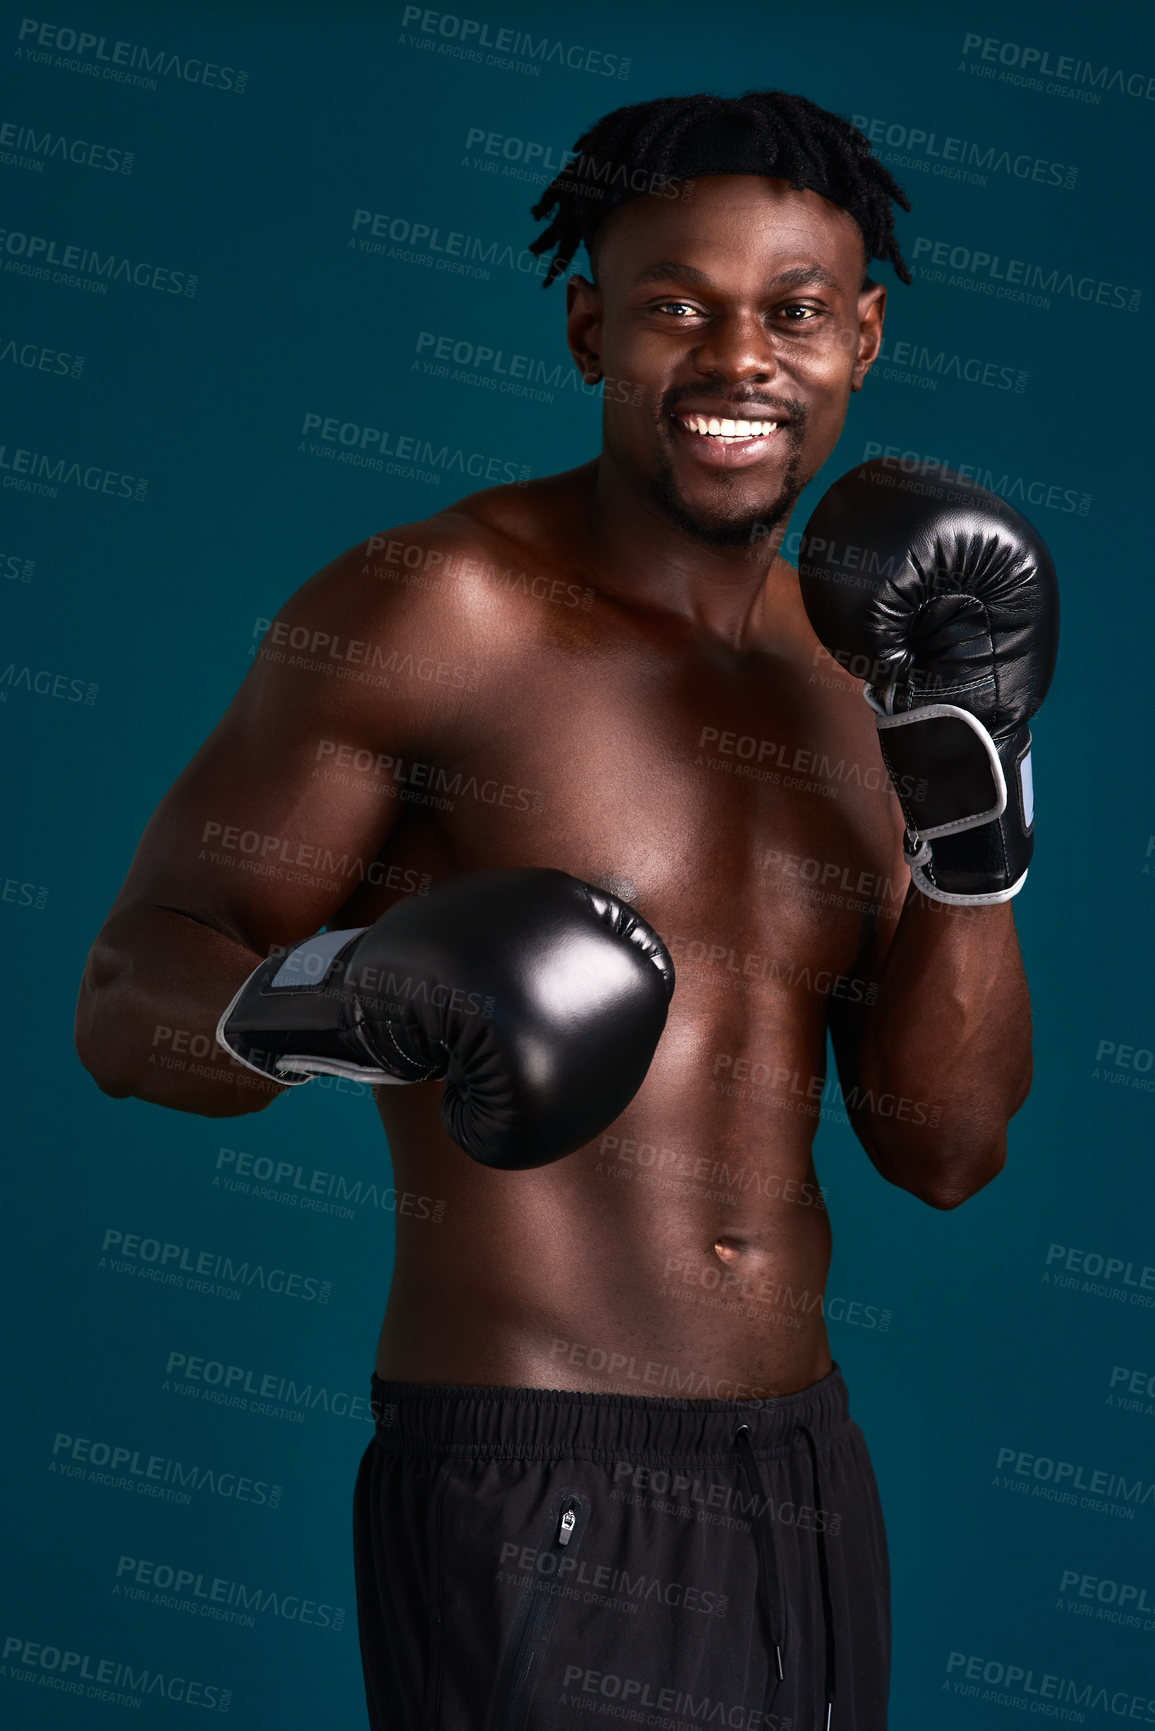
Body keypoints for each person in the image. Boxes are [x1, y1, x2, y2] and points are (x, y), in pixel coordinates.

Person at [75, 90, 1057, 1730]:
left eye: (796, 313)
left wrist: (976, 819)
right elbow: (124, 993)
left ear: (864, 340)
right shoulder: (442, 609)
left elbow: (945, 1150)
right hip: (541, 1482)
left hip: (805, 1467)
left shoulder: (868, 679)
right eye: (678, 306)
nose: (740, 359)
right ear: (592, 326)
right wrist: (345, 1001)